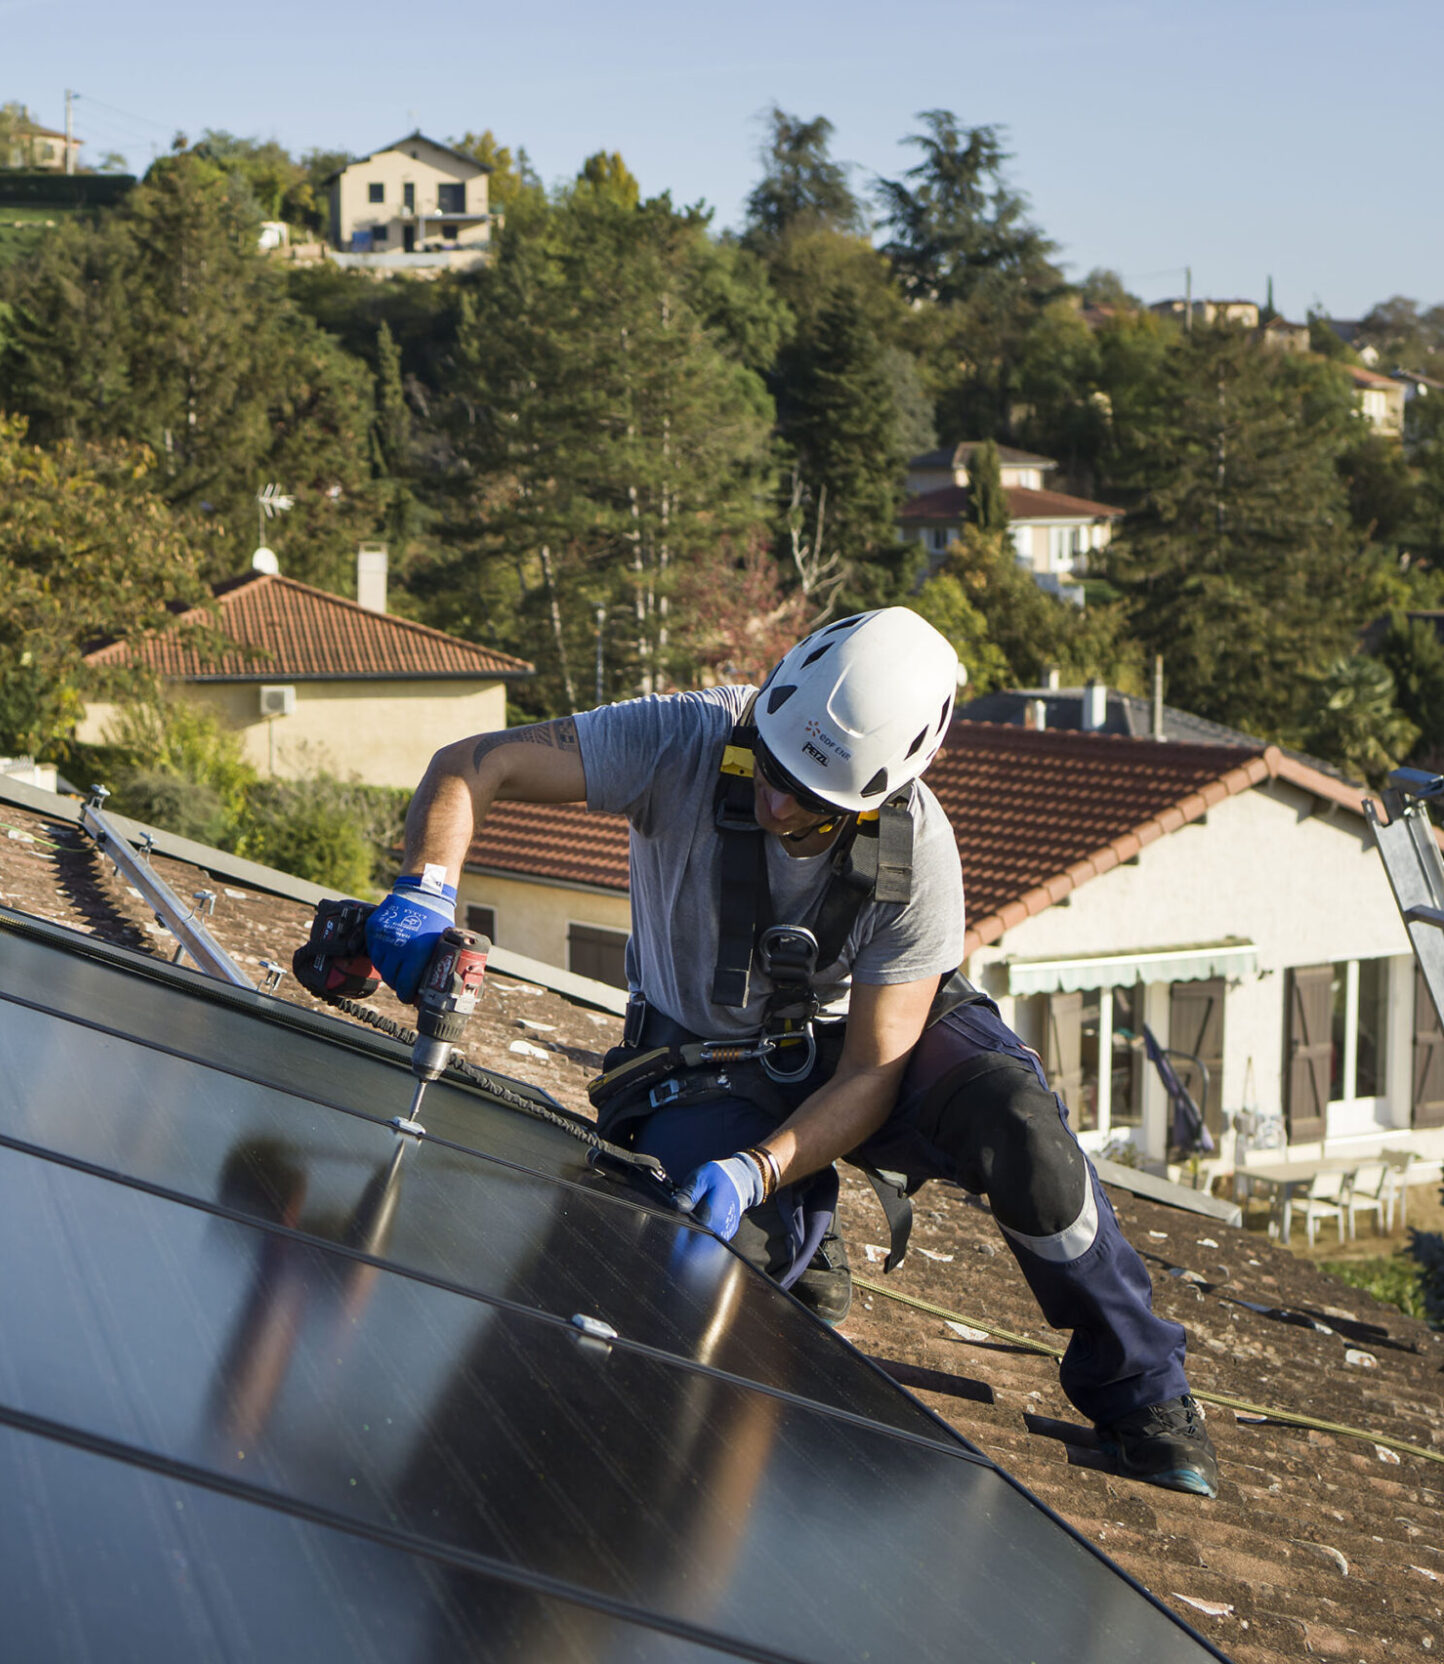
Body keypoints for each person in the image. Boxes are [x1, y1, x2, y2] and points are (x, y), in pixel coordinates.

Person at [355, 607, 1218, 1498]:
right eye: (769, 772)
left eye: (809, 806)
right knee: (721, 1283)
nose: (775, 804)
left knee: (1020, 1121)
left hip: (862, 1046)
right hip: (698, 1059)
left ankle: (1143, 1393)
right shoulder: (685, 739)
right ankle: (805, 1232)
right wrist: (426, 890)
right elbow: (473, 763)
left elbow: (875, 1070)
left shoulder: (916, 854)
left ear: (874, 801)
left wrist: (758, 1170)